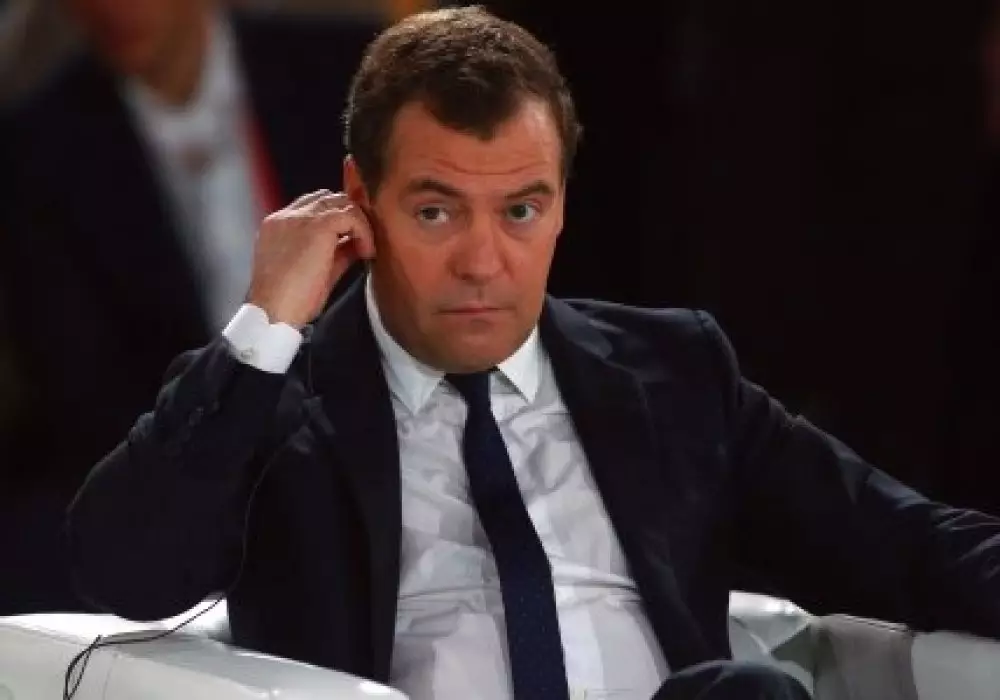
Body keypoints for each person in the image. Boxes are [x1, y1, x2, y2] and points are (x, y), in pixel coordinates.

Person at [67, 6, 1000, 700]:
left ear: (561, 204)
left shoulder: (672, 374)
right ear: (361, 199)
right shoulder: (275, 398)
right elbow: (126, 574)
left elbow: (908, 543)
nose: (483, 262)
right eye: (436, 212)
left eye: (520, 210)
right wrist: (266, 324)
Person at [0, 0, 377, 613]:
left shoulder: (346, 69)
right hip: (184, 446)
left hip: (364, 424)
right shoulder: (36, 146)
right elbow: (81, 388)